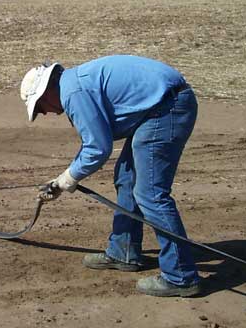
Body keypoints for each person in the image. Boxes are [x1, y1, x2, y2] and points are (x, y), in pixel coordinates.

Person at [19, 55, 201, 297]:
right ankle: (124, 251)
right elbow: (94, 143)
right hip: (160, 106)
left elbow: (97, 148)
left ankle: (181, 276)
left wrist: (65, 181)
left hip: (168, 107)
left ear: (46, 93)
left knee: (151, 194)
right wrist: (64, 178)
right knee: (127, 178)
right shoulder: (73, 84)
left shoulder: (73, 93)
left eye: (40, 108)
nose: (45, 113)